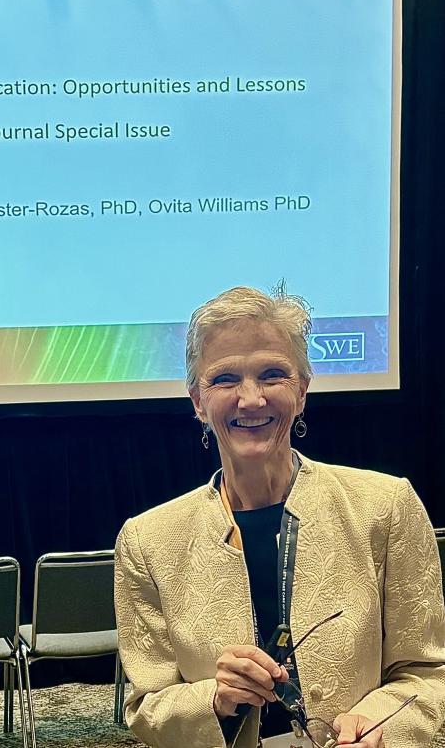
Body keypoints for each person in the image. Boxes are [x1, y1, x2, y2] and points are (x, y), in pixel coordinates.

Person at [115, 286, 445, 747]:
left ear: (302, 391)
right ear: (197, 401)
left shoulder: (385, 507)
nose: (251, 399)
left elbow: (427, 673)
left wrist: (381, 722)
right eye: (225, 379)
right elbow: (146, 709)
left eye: (272, 374)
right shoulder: (148, 541)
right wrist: (214, 699)